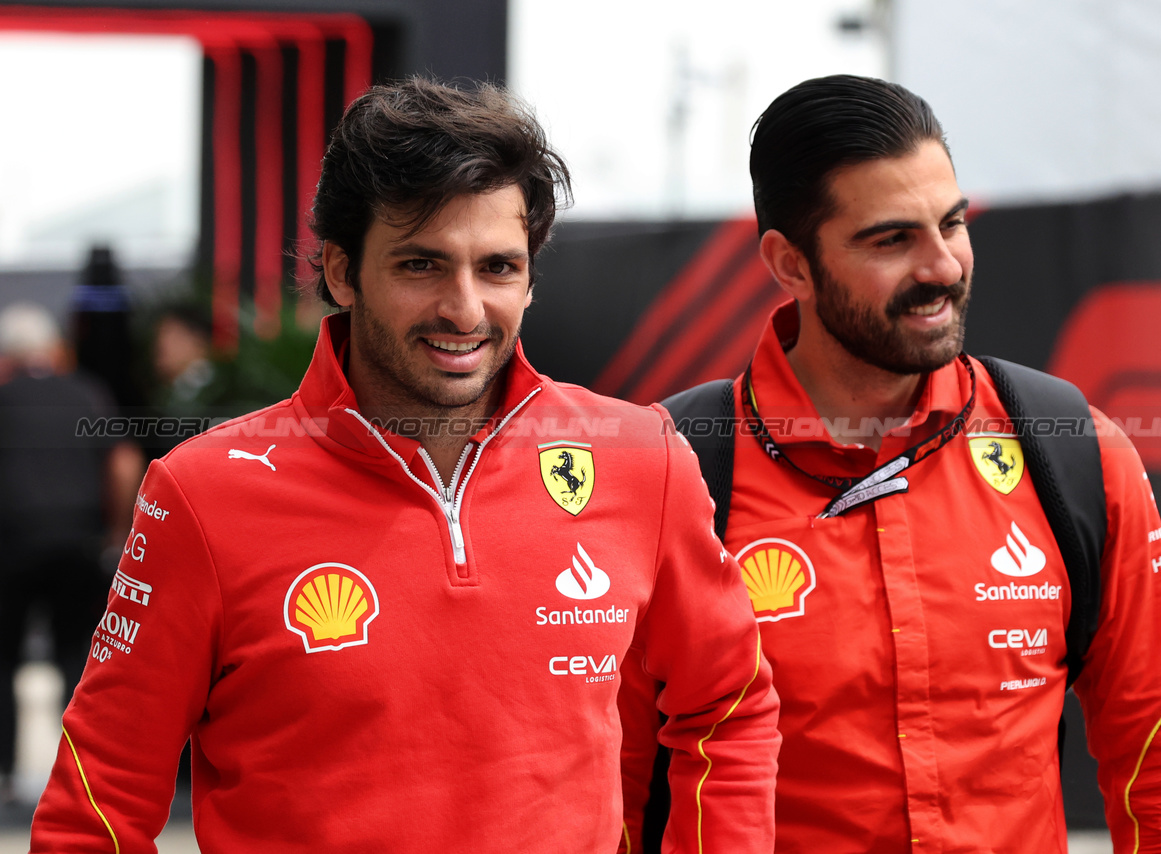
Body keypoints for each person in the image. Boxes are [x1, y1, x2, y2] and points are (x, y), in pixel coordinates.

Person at [31, 78, 779, 853]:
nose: (464, 309)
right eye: (422, 266)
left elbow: (728, 705)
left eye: (497, 267)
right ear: (341, 271)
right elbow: (99, 796)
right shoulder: (204, 492)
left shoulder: (641, 459)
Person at [619, 75, 1161, 853]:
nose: (943, 266)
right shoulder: (670, 469)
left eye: (953, 223)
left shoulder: (1070, 446)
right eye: (892, 239)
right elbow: (612, 786)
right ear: (790, 264)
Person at [0, 303, 142, 802]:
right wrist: (116, 532)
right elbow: (124, 464)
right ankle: (80, 777)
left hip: (11, 546)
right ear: (54, 351)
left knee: (4, 659)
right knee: (79, 658)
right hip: (80, 543)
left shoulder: (4, 396)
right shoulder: (87, 391)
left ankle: (5, 779)